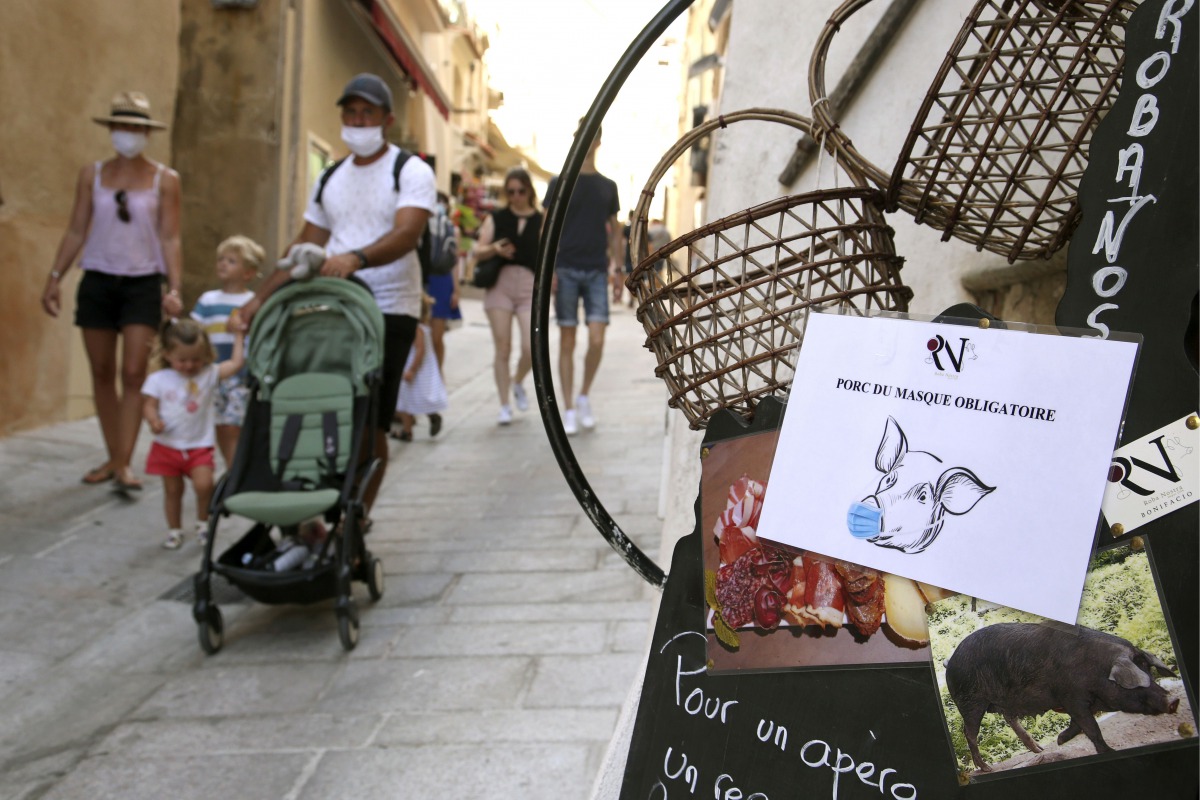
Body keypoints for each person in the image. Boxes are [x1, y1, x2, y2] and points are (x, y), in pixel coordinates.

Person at [237, 73, 436, 517]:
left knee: (368, 414)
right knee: (321, 398)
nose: (357, 121)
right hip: (331, 304)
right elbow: (303, 243)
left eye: (366, 113)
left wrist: (355, 258)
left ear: (386, 119)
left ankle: (355, 515)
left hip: (387, 306)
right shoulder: (330, 178)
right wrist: (259, 299)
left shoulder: (410, 170)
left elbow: (407, 233)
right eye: (350, 112)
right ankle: (316, 494)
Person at [41, 91, 184, 491]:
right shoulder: (93, 174)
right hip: (99, 279)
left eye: (136, 128)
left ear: (146, 133)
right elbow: (76, 228)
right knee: (101, 371)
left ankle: (124, 462)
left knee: (134, 371)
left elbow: (170, 237)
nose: (128, 134)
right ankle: (113, 455)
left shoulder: (165, 179)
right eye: (122, 126)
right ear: (112, 130)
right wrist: (55, 276)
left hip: (142, 282)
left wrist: (174, 287)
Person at [544, 126, 622, 435]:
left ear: (599, 140)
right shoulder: (559, 182)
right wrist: (547, 268)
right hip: (564, 268)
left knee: (597, 337)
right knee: (566, 339)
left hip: (596, 270)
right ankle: (569, 408)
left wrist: (618, 269)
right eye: (581, 134)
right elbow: (547, 227)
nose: (586, 141)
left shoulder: (608, 186)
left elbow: (615, 231)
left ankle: (584, 394)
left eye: (591, 135)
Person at [141, 319, 245, 549]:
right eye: (182, 360)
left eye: (195, 359)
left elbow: (236, 363)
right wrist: (153, 420)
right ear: (168, 355)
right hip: (167, 446)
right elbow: (149, 405)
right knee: (173, 491)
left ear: (205, 355)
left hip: (199, 444)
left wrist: (239, 336)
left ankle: (202, 522)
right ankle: (174, 529)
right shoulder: (158, 380)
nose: (189, 366)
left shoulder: (208, 374)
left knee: (204, 484)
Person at [472, 168, 542, 425]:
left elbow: (548, 256)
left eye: (521, 191)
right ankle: (504, 405)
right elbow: (477, 251)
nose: (516, 196)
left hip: (527, 287)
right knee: (503, 347)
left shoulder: (541, 219)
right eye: (510, 191)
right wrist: (495, 249)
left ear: (529, 191)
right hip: (500, 285)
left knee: (531, 347)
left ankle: (517, 382)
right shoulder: (496, 217)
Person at [191, 235, 263, 468]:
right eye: (221, 259)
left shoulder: (252, 301)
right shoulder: (208, 300)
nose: (223, 264)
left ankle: (235, 470)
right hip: (213, 373)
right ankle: (232, 466)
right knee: (221, 424)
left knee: (234, 424)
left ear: (248, 273)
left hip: (240, 375)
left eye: (232, 261)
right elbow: (194, 331)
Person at [392, 294, 448, 441]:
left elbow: (420, 350)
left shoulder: (417, 330)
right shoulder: (424, 327)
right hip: (419, 371)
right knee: (413, 399)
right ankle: (415, 425)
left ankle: (408, 429)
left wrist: (411, 369)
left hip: (415, 370)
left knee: (404, 400)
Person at [426, 191, 462, 373]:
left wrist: (456, 290)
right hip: (425, 279)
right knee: (422, 335)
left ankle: (438, 375)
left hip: (442, 281)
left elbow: (454, 263)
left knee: (436, 336)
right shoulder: (424, 226)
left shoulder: (452, 230)